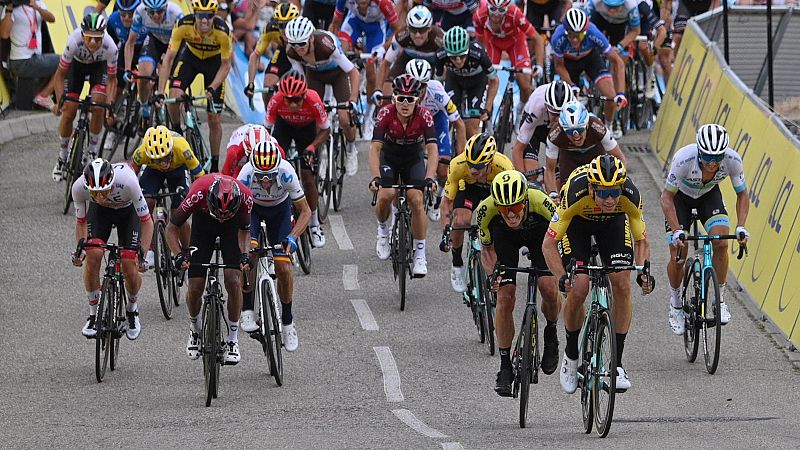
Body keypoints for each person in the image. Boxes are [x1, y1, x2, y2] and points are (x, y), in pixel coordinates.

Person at [542, 154, 654, 394]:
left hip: (612, 226)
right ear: (591, 188)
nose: (610, 199)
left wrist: (643, 270)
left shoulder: (630, 196)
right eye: (603, 193)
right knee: (579, 286)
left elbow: (641, 240)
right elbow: (548, 245)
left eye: (614, 192)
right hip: (577, 225)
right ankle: (571, 355)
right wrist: (562, 277)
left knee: (622, 283)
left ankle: (617, 364)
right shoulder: (573, 193)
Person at [477, 170, 560, 396]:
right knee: (505, 297)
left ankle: (551, 332)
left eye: (515, 207)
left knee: (549, 288)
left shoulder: (541, 202)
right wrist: (493, 276)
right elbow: (487, 250)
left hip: (540, 237)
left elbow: (561, 239)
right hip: (505, 240)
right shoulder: (486, 210)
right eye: (504, 209)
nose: (511, 214)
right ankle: (504, 366)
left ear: (525, 200)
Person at [661, 124, 749, 335]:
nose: (712, 162)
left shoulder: (733, 160)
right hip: (680, 199)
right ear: (699, 151)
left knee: (721, 243)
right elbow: (666, 198)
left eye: (717, 157)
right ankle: (675, 304)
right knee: (678, 255)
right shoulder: (683, 159)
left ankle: (720, 300)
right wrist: (676, 230)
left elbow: (743, 195)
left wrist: (741, 226)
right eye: (708, 157)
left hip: (708, 197)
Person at [167, 174, 254, 365]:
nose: (221, 219)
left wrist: (245, 255)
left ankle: (232, 339)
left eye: (226, 215)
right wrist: (178, 254)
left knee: (233, 280)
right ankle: (194, 328)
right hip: (203, 223)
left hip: (233, 228)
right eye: (220, 215)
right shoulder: (198, 193)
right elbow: (172, 227)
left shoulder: (246, 197)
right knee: (196, 285)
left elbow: (245, 231)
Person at [238, 140, 312, 352]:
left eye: (269, 176)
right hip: (252, 211)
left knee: (283, 267)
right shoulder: (245, 174)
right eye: (260, 176)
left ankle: (288, 322)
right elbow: (237, 212)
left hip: (280, 212)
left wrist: (293, 237)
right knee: (249, 254)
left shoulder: (287, 172)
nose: (265, 181)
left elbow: (305, 212)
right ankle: (248, 308)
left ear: (276, 170)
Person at [71, 159, 153, 341]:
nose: (100, 197)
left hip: (128, 213)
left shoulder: (128, 182)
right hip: (100, 214)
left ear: (112, 183)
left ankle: (132, 310)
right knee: (94, 255)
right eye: (95, 193)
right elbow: (81, 222)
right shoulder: (78, 188)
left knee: (128, 264)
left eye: (104, 192)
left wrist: (143, 255)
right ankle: (93, 315)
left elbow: (147, 222)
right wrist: (81, 252)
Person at [368, 74, 438, 276]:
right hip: (390, 156)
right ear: (394, 98)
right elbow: (374, 149)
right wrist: (375, 178)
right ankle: (382, 230)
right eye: (401, 98)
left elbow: (432, 149)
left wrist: (430, 177)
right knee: (387, 194)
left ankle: (420, 255)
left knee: (416, 198)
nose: (405, 103)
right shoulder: (385, 113)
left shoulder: (424, 115)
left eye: (411, 99)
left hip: (412, 157)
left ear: (418, 100)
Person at [157, 0, 232, 173]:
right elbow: (168, 59)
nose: (204, 21)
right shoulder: (183, 25)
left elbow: (226, 65)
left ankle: (214, 163)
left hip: (214, 64)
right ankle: (176, 131)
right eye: (200, 16)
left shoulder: (222, 31)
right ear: (194, 14)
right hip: (190, 58)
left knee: (214, 118)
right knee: (173, 97)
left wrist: (213, 87)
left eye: (209, 16)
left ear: (215, 15)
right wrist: (160, 92)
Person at [284, 17, 361, 176]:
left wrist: (352, 99)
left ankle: (352, 148)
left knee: (344, 117)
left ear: (311, 38)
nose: (298, 49)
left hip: (337, 75)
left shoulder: (326, 45)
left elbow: (353, 72)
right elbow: (301, 81)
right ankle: (317, 157)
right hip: (315, 76)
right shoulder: (291, 52)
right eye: (294, 44)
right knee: (316, 121)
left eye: (302, 44)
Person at [440, 132, 513, 293]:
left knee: (496, 228)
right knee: (460, 222)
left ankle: (495, 270)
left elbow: (510, 202)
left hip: (493, 189)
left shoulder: (504, 166)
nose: (473, 169)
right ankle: (457, 262)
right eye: (470, 164)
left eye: (478, 166)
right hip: (468, 188)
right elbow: (446, 203)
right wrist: (446, 230)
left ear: (490, 161)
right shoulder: (457, 165)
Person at [265, 70, 330, 248]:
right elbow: (266, 131)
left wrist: (312, 147)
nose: (293, 104)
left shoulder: (314, 99)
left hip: (307, 131)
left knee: (307, 176)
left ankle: (314, 223)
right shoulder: (276, 100)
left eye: (297, 100)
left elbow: (325, 129)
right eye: (288, 100)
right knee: (272, 167)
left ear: (304, 95)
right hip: (284, 127)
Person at [52, 13, 118, 181]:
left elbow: (112, 80)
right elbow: (59, 75)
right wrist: (60, 101)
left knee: (98, 106)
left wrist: (110, 107)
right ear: (82, 34)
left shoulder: (111, 47)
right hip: (76, 68)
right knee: (69, 110)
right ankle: (62, 156)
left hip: (99, 68)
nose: (93, 43)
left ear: (104, 35)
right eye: (89, 38)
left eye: (97, 38)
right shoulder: (73, 41)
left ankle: (92, 152)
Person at [131, 125, 205, 267]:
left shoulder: (182, 147)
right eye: (158, 159)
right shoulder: (141, 153)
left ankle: (186, 252)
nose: (163, 163)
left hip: (178, 169)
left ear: (171, 151)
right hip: (153, 171)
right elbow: (130, 174)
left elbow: (200, 176)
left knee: (179, 215)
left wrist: (198, 200)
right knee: (146, 203)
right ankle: (150, 248)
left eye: (165, 158)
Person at [404, 58, 466, 221]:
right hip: (411, 122)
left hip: (435, 121)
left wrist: (461, 158)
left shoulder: (437, 92)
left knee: (443, 168)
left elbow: (459, 124)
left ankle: (436, 199)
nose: (419, 89)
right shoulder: (401, 90)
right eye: (415, 84)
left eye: (423, 84)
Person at [551, 7, 625, 137]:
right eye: (571, 35)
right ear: (565, 31)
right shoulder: (558, 37)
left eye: (578, 35)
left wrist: (620, 93)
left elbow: (618, 62)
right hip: (568, 64)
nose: (574, 40)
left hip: (591, 59)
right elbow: (559, 66)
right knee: (569, 99)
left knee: (610, 96)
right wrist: (571, 85)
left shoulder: (593, 33)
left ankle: (608, 128)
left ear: (585, 31)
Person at [330, 0, 402, 123]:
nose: (362, 1)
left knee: (371, 70)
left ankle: (368, 116)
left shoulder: (383, 3)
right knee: (340, 50)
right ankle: (337, 98)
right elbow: (335, 24)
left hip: (376, 28)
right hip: (354, 22)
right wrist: (332, 50)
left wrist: (382, 49)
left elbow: (398, 31)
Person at [542, 100, 627, 197]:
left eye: (579, 130)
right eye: (570, 132)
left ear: (587, 125)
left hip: (594, 154)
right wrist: (553, 194)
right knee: (566, 194)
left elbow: (619, 158)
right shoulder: (555, 134)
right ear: (562, 128)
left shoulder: (596, 126)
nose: (576, 136)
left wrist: (620, 182)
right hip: (569, 157)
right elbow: (550, 169)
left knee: (602, 188)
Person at [122, 0, 184, 127]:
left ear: (165, 8)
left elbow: (172, 56)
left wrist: (161, 91)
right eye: (151, 12)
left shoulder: (176, 14)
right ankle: (144, 109)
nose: (156, 16)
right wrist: (127, 69)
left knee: (176, 81)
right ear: (146, 10)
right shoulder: (139, 12)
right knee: (143, 74)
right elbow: (130, 43)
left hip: (176, 46)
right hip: (155, 41)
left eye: (160, 11)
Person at [473, 0, 544, 106]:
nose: (496, 15)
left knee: (525, 85)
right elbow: (480, 42)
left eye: (501, 11)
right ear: (487, 7)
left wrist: (539, 66)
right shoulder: (479, 16)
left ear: (507, 10)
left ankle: (521, 109)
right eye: (493, 10)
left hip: (515, 42)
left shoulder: (515, 13)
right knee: (487, 82)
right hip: (493, 44)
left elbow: (538, 39)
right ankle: (487, 113)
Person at [435, 25, 498, 138]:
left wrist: (487, 108)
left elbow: (494, 81)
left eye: (462, 56)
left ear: (467, 50)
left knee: (471, 129)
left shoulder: (479, 54)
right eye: (453, 57)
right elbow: (437, 83)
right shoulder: (440, 55)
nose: (458, 61)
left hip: (477, 82)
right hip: (454, 80)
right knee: (447, 119)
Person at [511, 79, 576, 180]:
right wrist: (522, 180)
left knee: (560, 176)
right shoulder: (536, 106)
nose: (558, 119)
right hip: (536, 128)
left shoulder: (574, 108)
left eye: (562, 114)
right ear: (546, 106)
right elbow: (517, 150)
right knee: (531, 175)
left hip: (557, 129)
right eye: (554, 113)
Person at [0, 0, 58, 109]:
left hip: (34, 57)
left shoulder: (37, 3)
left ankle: (39, 97)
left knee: (62, 62)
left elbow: (52, 19)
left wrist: (37, 8)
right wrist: (9, 9)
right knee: (63, 61)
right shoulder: (12, 9)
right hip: (21, 60)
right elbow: (4, 34)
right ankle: (43, 96)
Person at [245, 2, 301, 108]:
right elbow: (255, 56)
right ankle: (270, 119)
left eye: (288, 24)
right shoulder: (271, 29)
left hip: (302, 54)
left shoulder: (303, 28)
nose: (284, 30)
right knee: (267, 87)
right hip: (283, 52)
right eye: (281, 25)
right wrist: (251, 83)